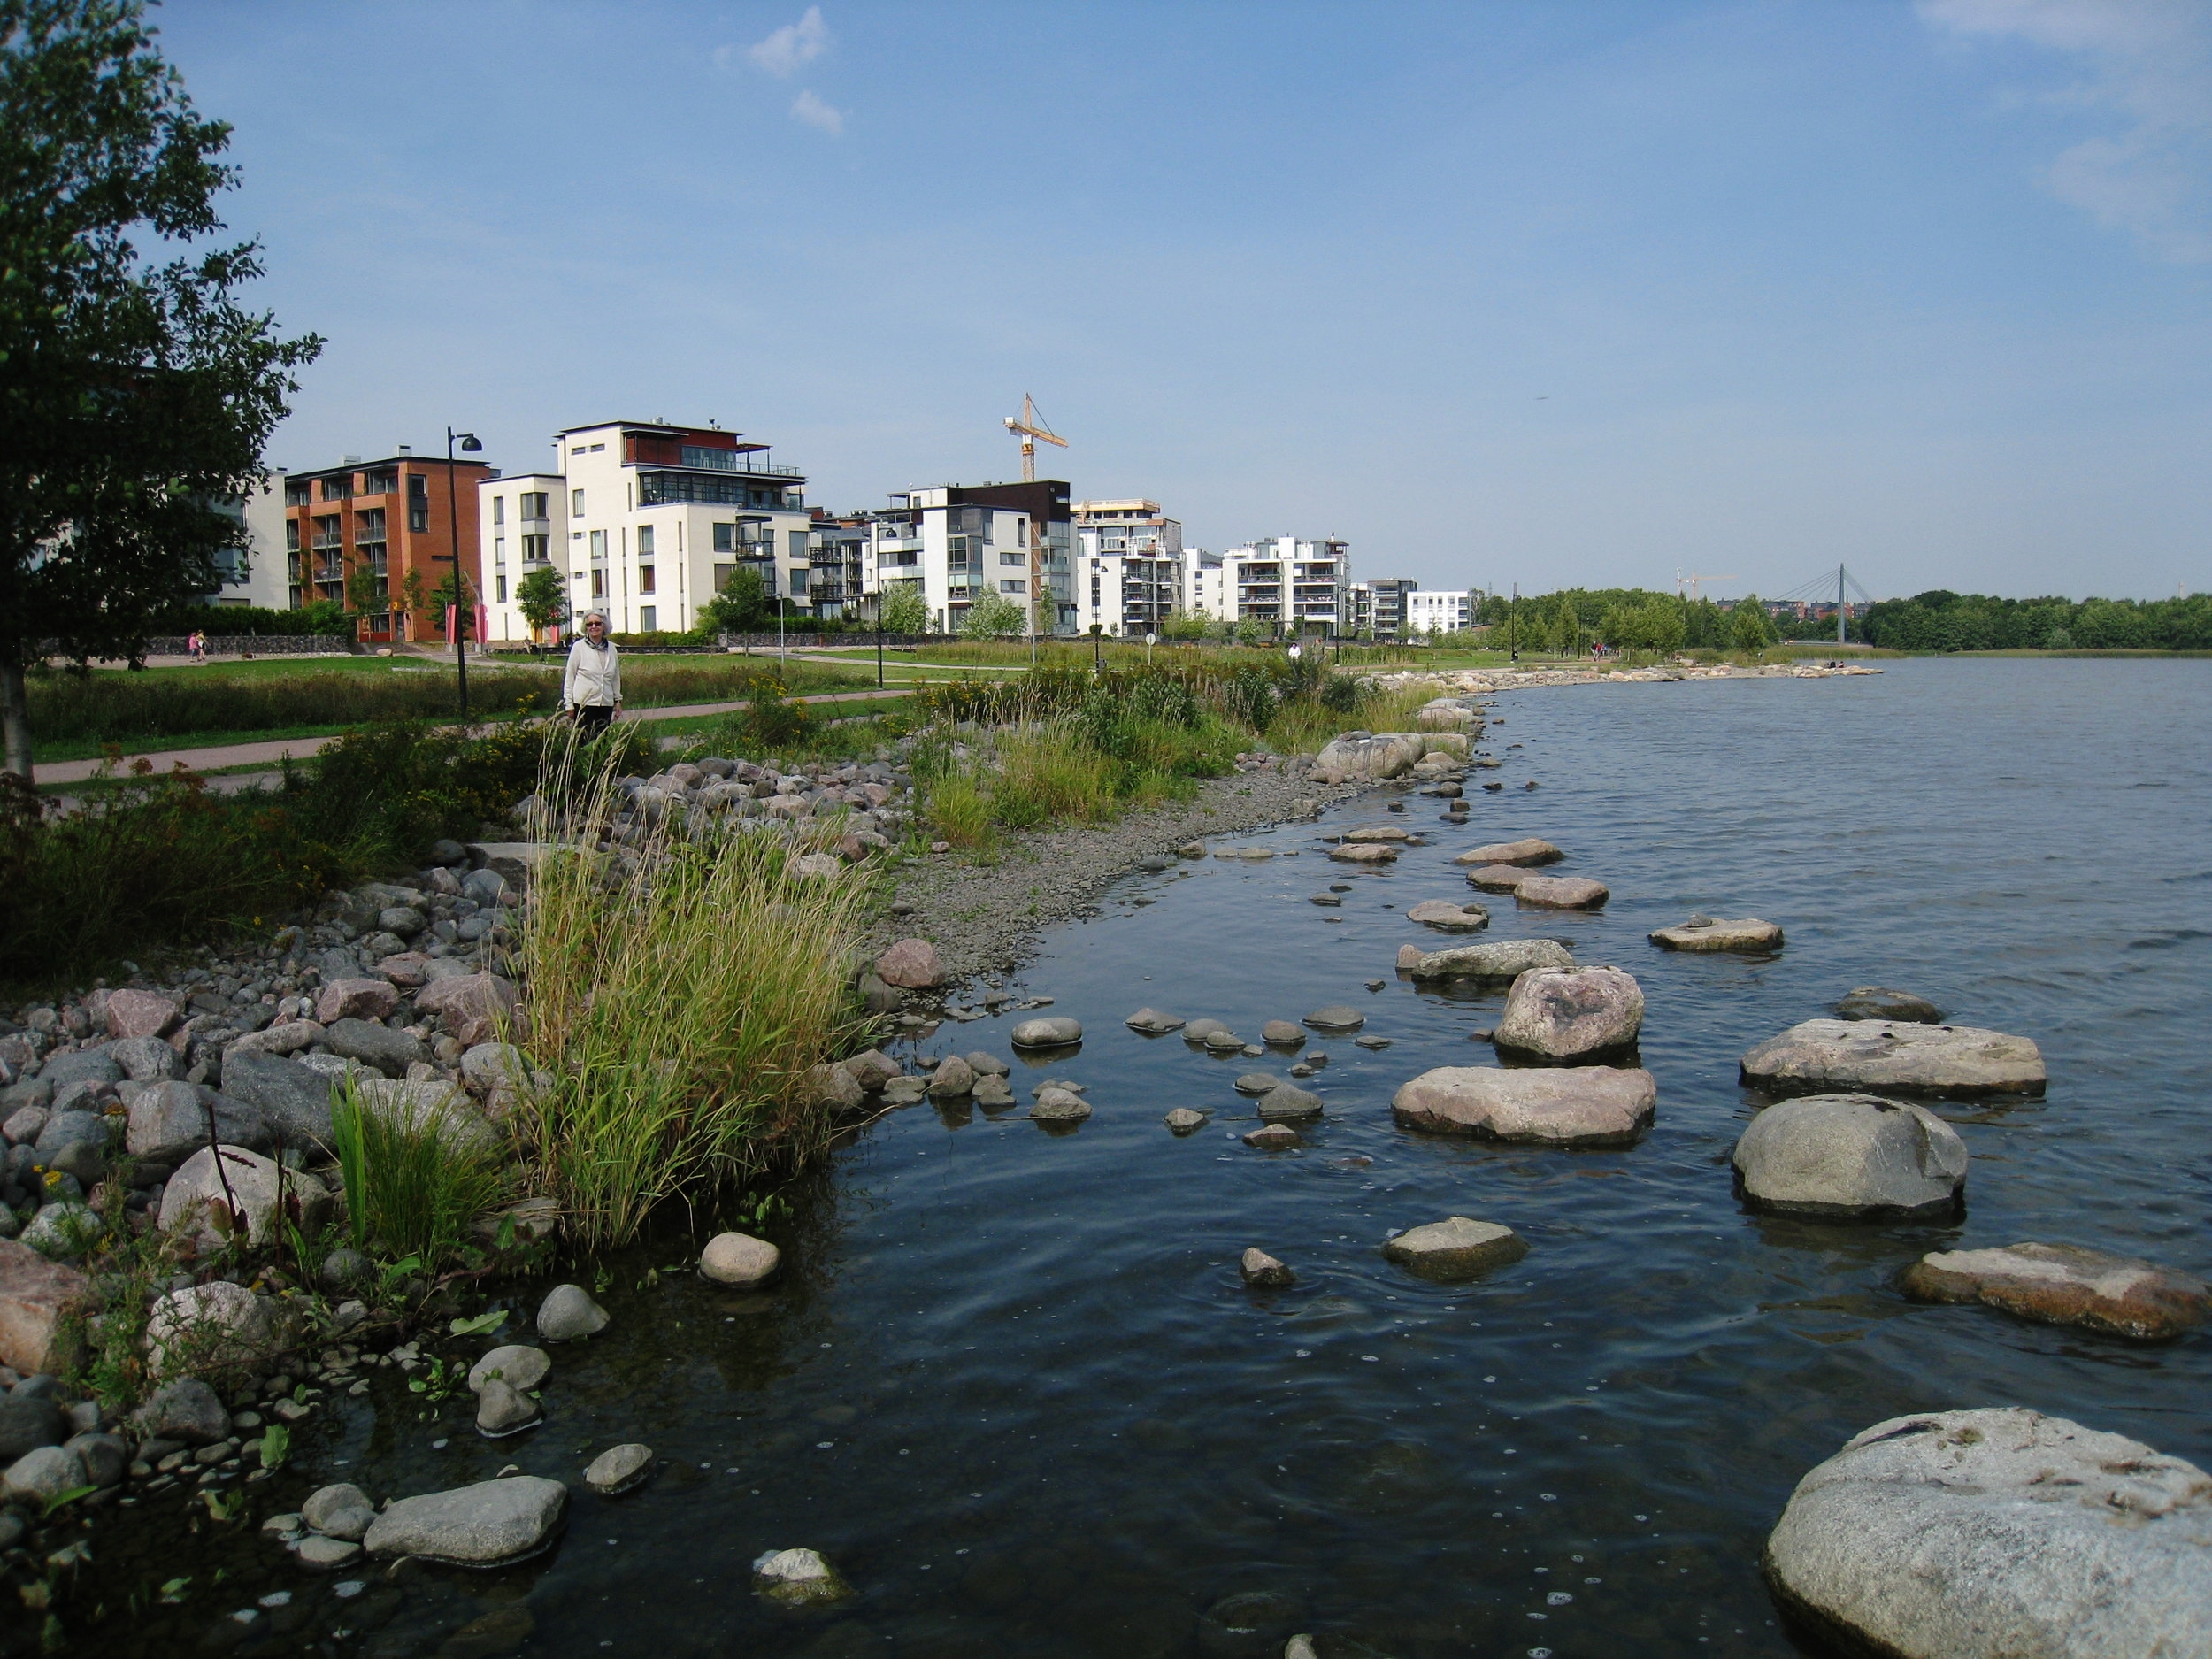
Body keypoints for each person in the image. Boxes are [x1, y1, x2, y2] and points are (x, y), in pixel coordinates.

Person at [561, 611, 622, 737]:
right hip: (584, 704)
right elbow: (570, 677)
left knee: (601, 742)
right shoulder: (579, 647)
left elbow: (615, 677)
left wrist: (618, 700)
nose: (594, 627)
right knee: (584, 741)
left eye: (597, 623)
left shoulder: (611, 649)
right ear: (586, 627)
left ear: (604, 626)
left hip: (605, 703)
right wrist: (569, 704)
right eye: (590, 624)